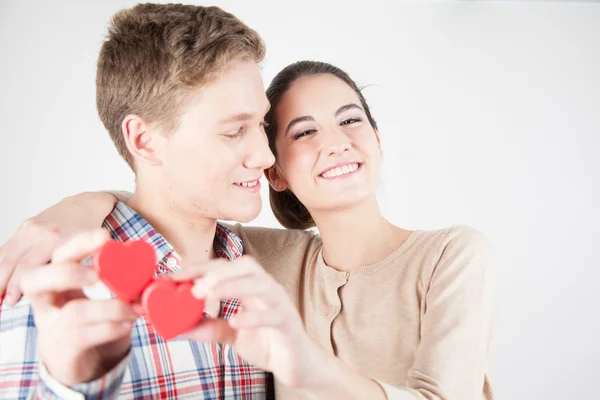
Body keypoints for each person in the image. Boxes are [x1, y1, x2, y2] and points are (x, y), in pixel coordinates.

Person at [0, 58, 496, 399]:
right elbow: (166, 209)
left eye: (352, 120)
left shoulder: (450, 254)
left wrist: (312, 368)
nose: (339, 142)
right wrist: (78, 207)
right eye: (304, 132)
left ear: (379, 140)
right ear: (274, 172)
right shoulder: (257, 257)